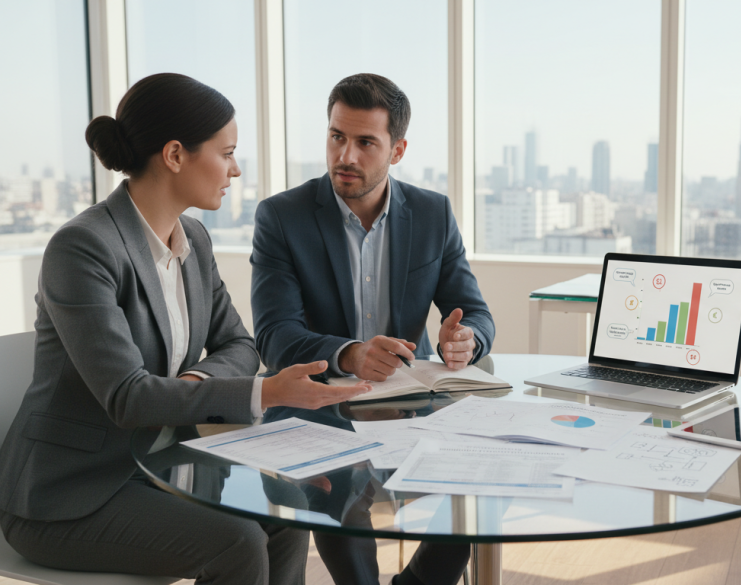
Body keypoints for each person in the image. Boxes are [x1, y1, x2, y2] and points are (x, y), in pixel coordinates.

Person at [0, 73, 371, 585]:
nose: (236, 169)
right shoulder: (83, 249)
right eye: (227, 152)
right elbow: (129, 399)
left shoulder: (192, 238)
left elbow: (239, 343)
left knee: (286, 511)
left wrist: (192, 386)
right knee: (236, 542)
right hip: (69, 494)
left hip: (160, 466)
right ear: (175, 155)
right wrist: (262, 391)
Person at [250, 73, 495, 585]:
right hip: (318, 407)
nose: (347, 155)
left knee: (482, 477)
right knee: (336, 487)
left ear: (397, 149)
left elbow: (475, 312)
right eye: (337, 136)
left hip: (412, 404)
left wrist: (466, 339)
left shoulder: (432, 213)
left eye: (366, 143)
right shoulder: (282, 217)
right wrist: (350, 354)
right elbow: (275, 337)